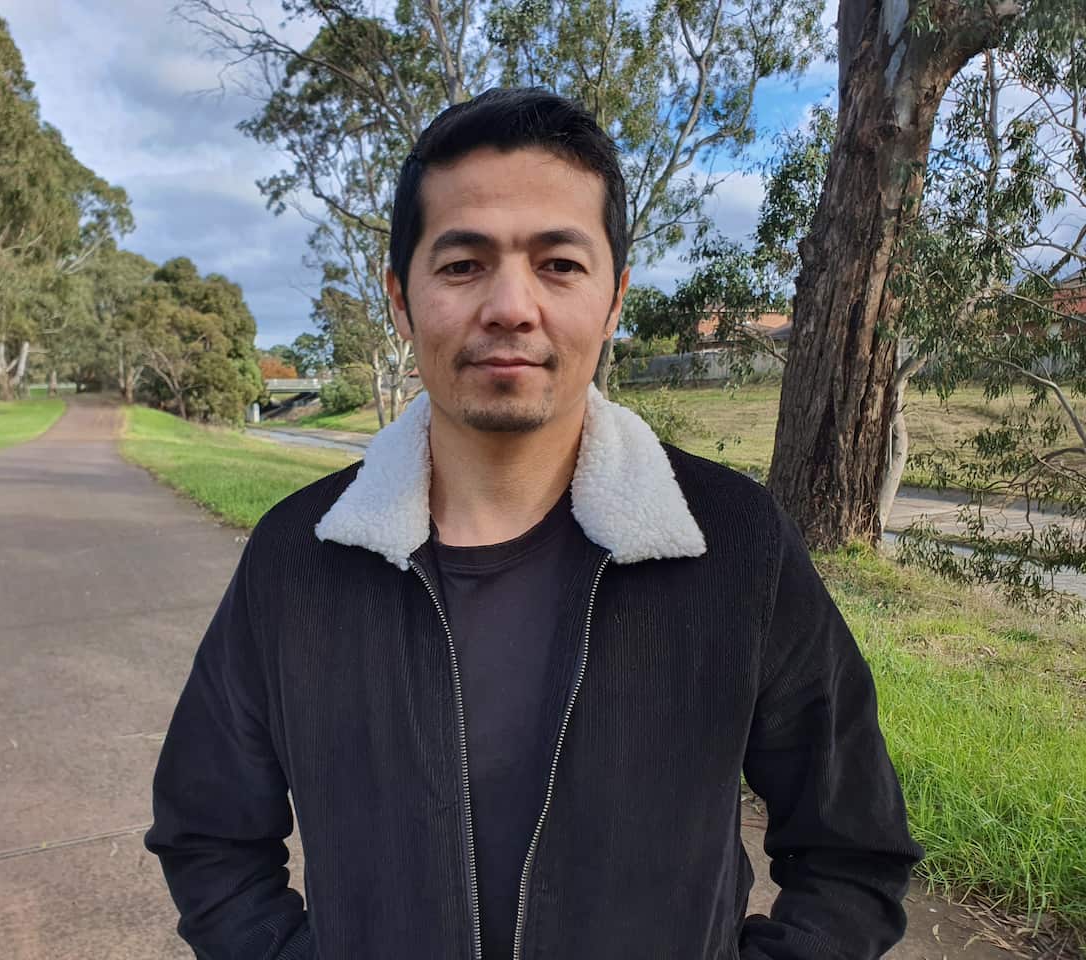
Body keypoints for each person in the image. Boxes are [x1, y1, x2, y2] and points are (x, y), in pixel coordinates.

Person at [145, 87, 924, 960]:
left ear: (615, 299)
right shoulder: (299, 558)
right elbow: (208, 837)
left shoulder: (733, 543)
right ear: (401, 301)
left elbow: (853, 851)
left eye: (559, 264)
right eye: (463, 264)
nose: (512, 306)